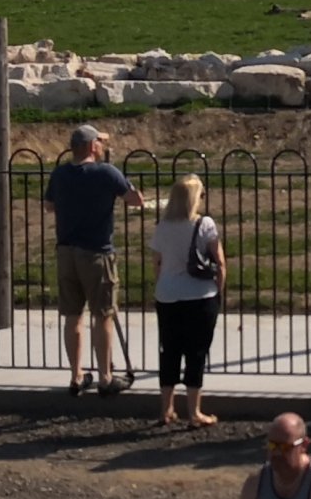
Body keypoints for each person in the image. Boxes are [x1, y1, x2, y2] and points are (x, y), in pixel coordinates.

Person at [44, 126, 142, 397]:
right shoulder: (106, 173)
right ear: (91, 146)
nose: (102, 146)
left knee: (72, 316)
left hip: (66, 251)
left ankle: (76, 376)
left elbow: (49, 205)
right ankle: (105, 377)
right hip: (97, 253)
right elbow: (135, 200)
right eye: (100, 142)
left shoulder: (60, 173)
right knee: (103, 315)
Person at [143, 174, 225, 429]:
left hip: (167, 295)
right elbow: (220, 262)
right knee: (196, 353)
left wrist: (163, 283)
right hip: (199, 295)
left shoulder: (163, 226)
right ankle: (194, 411)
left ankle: (165, 409)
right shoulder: (205, 224)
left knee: (169, 351)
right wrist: (219, 290)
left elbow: (156, 262)